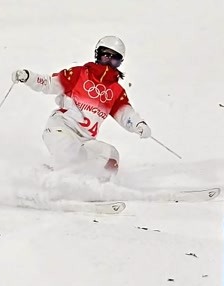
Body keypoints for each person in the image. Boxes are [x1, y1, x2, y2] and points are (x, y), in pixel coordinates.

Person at [11, 35, 152, 181]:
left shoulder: (115, 91)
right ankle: (40, 182)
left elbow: (125, 113)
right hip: (61, 128)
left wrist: (138, 124)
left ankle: (94, 189)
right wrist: (29, 77)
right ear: (98, 55)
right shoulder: (79, 74)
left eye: (114, 58)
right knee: (70, 157)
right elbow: (49, 83)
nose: (109, 61)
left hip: (85, 140)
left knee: (111, 156)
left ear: (119, 62)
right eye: (105, 55)